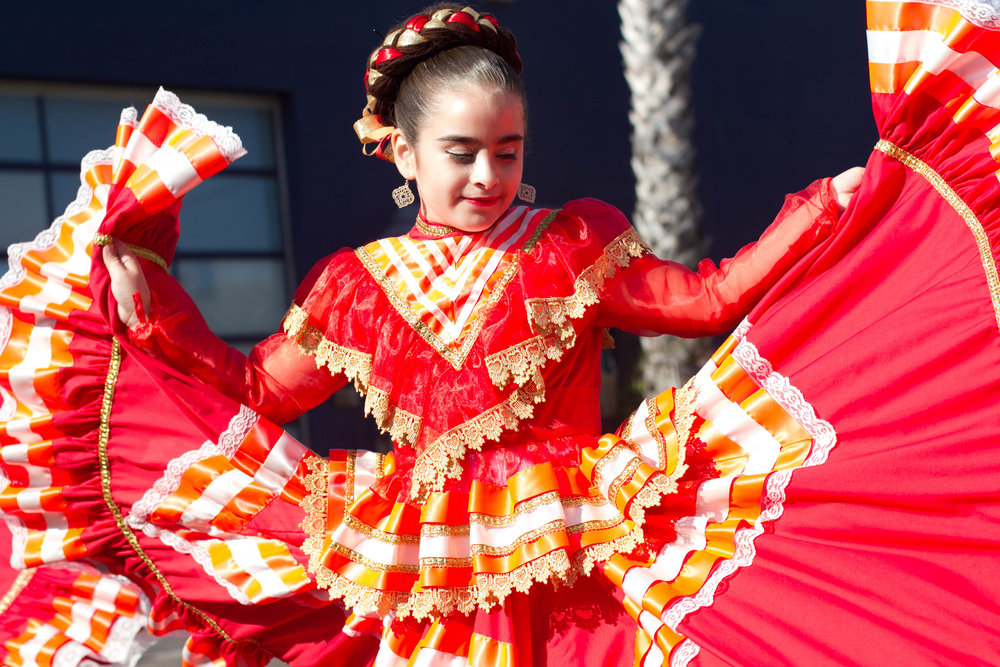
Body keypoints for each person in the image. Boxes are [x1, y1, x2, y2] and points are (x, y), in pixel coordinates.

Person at [17, 1, 998, 665]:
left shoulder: (569, 240)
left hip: (575, 543)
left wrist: (822, 210)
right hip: (419, 558)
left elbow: (703, 300)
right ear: (400, 153)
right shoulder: (353, 284)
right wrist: (154, 305)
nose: (485, 175)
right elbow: (262, 391)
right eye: (460, 153)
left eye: (506, 150)